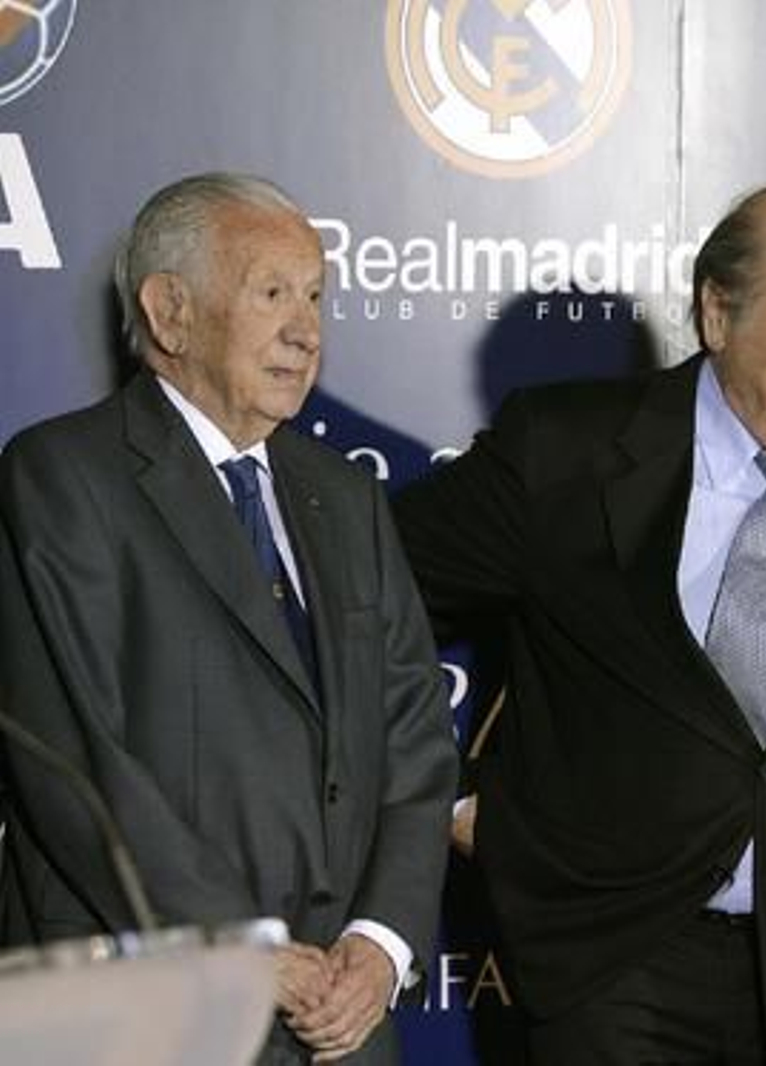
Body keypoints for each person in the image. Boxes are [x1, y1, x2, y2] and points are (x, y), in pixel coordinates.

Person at [393, 181, 766, 1064]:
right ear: (718, 314)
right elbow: (355, 607)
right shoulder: (563, 453)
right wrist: (443, 792)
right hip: (610, 959)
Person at [0, 173, 458, 1064]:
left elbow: (414, 732)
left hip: (339, 1024)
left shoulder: (346, 497)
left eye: (316, 296)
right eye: (272, 293)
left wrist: (380, 943)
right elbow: (75, 758)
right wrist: (238, 947)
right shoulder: (61, 477)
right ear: (170, 313)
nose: (306, 330)